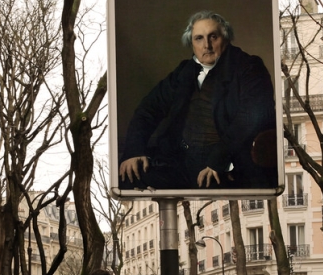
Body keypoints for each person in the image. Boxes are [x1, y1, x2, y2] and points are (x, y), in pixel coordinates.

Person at [119, 10, 277, 191]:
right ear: (192, 43)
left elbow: (252, 117)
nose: (206, 45)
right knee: (127, 178)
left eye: (213, 37)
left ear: (225, 38)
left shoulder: (249, 67)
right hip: (181, 161)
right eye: (199, 38)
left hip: (227, 163)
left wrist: (218, 160)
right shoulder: (184, 71)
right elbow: (148, 109)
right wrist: (135, 151)